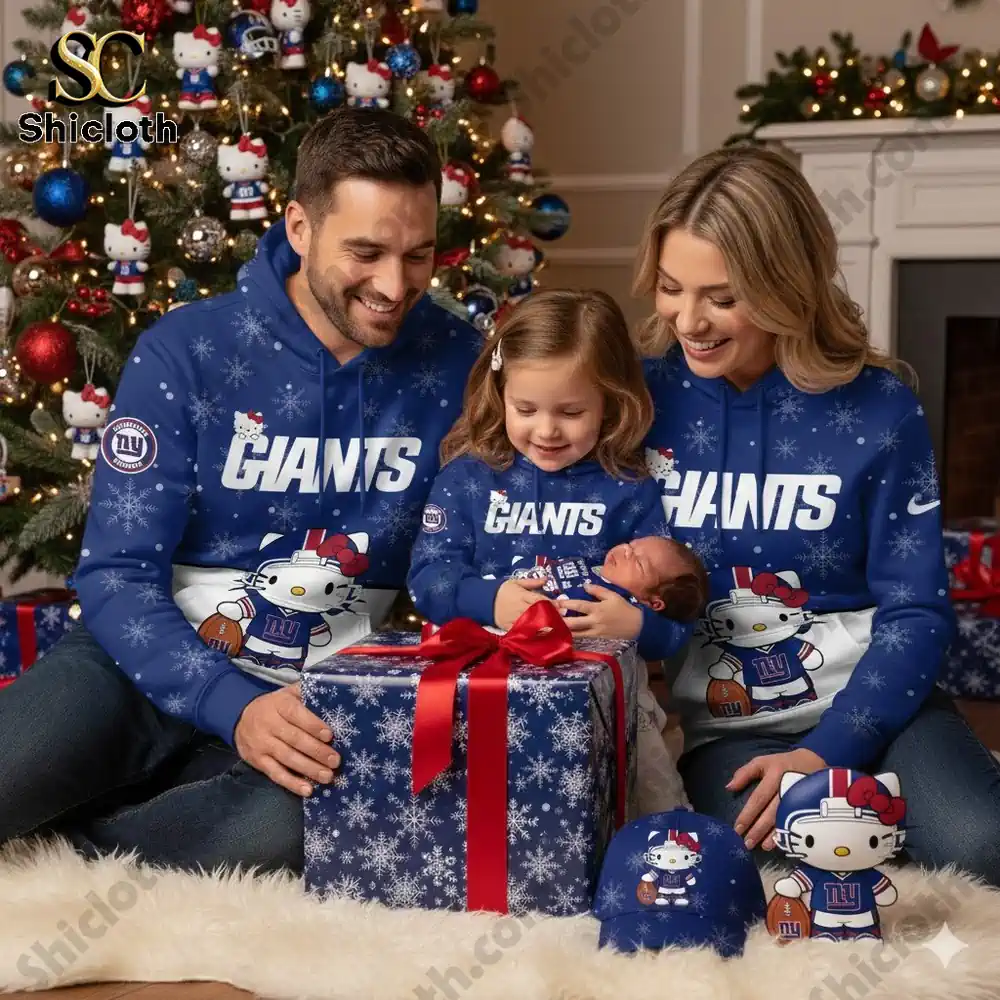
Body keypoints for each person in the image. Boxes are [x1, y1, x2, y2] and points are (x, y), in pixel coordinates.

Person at [0, 108, 482, 876]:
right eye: (366, 252)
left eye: (418, 255)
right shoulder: (186, 350)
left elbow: (482, 538)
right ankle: (134, 791)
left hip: (321, 691)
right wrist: (232, 706)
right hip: (142, 663)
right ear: (299, 226)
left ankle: (90, 844)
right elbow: (116, 576)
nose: (396, 286)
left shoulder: (463, 366)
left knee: (285, 836)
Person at [595, 143, 998, 883]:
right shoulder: (636, 400)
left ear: (787, 284)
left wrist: (828, 752)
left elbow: (917, 613)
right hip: (726, 727)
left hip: (878, 707)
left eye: (722, 297)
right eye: (671, 287)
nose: (690, 321)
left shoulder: (880, 408)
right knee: (760, 863)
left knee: (980, 848)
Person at [406, 288, 694, 815]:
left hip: (606, 691)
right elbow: (427, 576)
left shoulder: (628, 488)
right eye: (526, 408)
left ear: (611, 400)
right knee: (490, 800)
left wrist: (634, 625)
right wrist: (489, 600)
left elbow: (677, 615)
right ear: (500, 391)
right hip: (489, 681)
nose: (546, 430)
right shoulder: (467, 480)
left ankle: (658, 863)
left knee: (649, 792)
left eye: (571, 411)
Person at [507, 537, 708, 625]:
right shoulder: (594, 566)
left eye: (638, 562)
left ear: (653, 602)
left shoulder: (613, 603)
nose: (625, 550)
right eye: (631, 544)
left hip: (519, 614)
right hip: (510, 583)